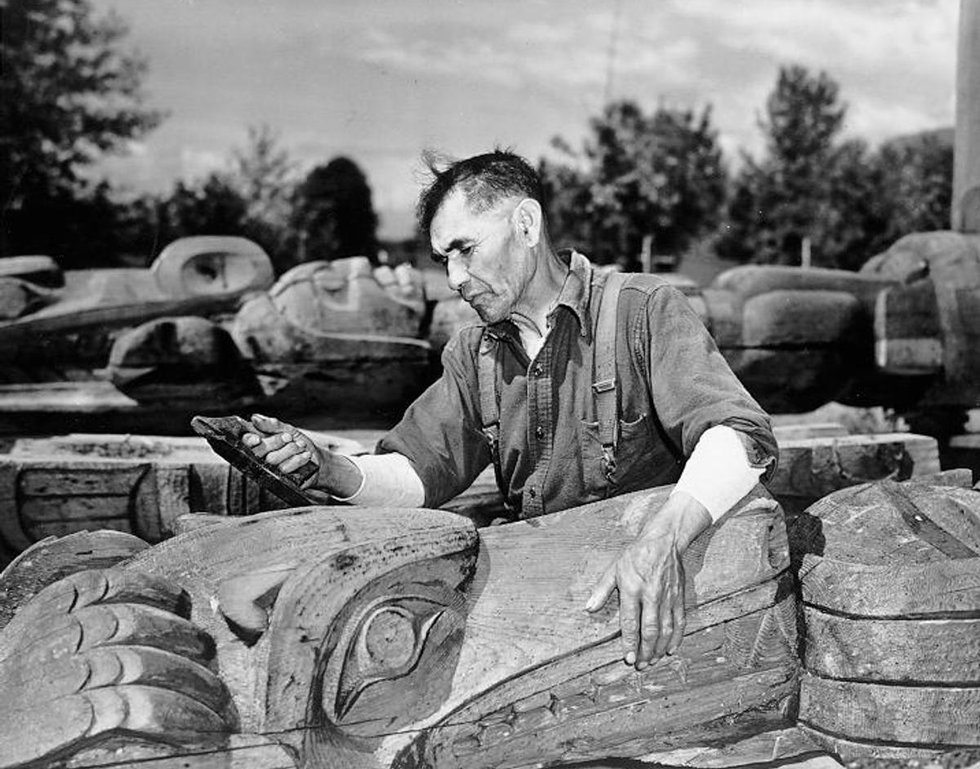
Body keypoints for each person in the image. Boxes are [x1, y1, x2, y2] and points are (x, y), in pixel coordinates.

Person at [241, 150, 777, 671]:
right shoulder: (474, 354)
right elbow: (420, 473)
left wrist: (661, 540)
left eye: (465, 249)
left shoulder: (641, 309)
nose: (453, 278)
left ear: (526, 224)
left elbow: (740, 435)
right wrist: (331, 467)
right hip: (538, 614)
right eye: (443, 260)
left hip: (657, 625)